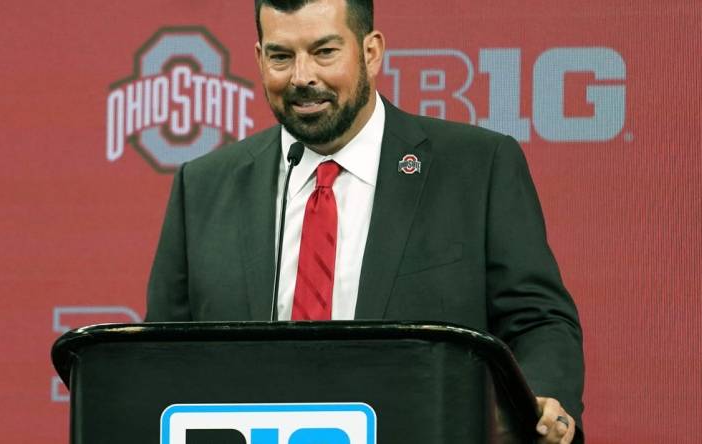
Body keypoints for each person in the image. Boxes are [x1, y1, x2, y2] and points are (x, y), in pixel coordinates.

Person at [146, 0, 584, 442]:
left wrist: (540, 403)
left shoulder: (476, 167)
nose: (302, 77)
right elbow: (157, 355)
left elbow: (538, 321)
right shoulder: (202, 186)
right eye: (281, 56)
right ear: (259, 58)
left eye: (324, 52)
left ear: (371, 52)